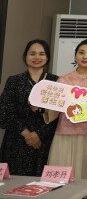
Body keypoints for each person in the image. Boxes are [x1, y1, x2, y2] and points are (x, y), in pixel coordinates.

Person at [0, 39, 58, 176]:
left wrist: (39, 134)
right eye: (32, 54)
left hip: (44, 142)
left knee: (42, 183)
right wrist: (27, 134)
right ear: (25, 56)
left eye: (41, 54)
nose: (37, 57)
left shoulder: (56, 81)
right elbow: (4, 112)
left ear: (47, 57)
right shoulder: (14, 81)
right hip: (17, 141)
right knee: (12, 183)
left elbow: (59, 115)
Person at [46, 39, 87, 179]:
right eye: (81, 52)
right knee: (60, 177)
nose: (85, 56)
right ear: (75, 55)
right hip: (65, 134)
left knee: (85, 178)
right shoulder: (63, 80)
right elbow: (54, 111)